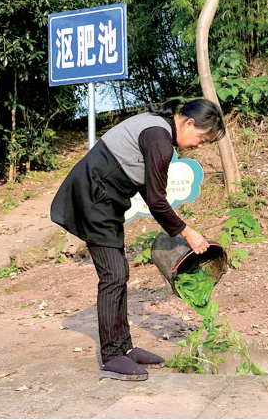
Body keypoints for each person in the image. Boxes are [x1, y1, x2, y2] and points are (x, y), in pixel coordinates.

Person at [50, 97, 226, 381]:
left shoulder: (159, 132)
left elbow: (150, 191)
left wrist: (178, 228)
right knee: (113, 275)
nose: (199, 145)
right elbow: (156, 201)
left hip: (104, 200)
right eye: (203, 138)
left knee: (119, 273)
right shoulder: (159, 138)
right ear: (189, 122)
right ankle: (111, 357)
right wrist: (187, 232)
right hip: (92, 197)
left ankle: (125, 349)